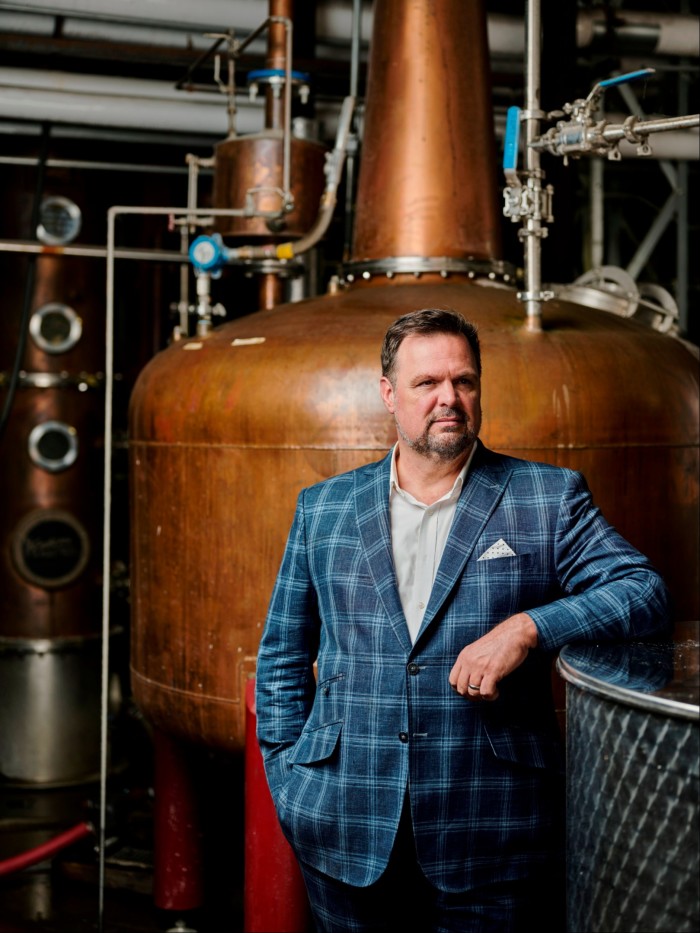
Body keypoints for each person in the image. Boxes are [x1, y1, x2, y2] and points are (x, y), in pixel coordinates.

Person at [255, 307, 670, 933]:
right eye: (427, 383)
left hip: (493, 829)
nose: (449, 397)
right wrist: (291, 785)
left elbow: (643, 590)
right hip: (343, 825)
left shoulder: (547, 498)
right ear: (390, 395)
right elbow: (283, 657)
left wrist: (526, 628)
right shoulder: (324, 508)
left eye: (465, 381)